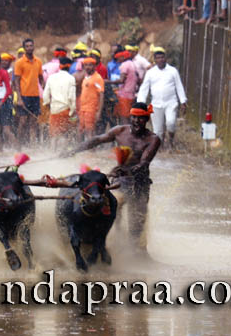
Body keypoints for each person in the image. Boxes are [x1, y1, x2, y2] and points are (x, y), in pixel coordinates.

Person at [68, 102, 162, 250]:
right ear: (130, 117)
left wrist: (128, 171)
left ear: (147, 119)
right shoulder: (120, 131)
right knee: (111, 207)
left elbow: (144, 163)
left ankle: (136, 253)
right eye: (134, 117)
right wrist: (74, 150)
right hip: (120, 182)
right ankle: (110, 242)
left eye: (141, 118)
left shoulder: (153, 139)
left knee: (136, 223)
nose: (137, 121)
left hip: (140, 184)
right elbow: (97, 140)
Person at [135, 47, 186, 148]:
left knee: (170, 123)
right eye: (158, 58)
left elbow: (179, 86)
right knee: (157, 130)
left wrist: (183, 101)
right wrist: (140, 103)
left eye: (162, 57)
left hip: (171, 103)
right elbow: (144, 89)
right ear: (155, 60)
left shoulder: (172, 71)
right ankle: (160, 146)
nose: (160, 60)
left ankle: (171, 141)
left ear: (165, 58)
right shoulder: (150, 73)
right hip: (156, 104)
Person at [12, 37, 43, 142]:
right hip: (24, 95)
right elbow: (16, 81)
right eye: (27, 46)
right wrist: (19, 99)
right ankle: (19, 144)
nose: (29, 48)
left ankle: (32, 145)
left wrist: (43, 91)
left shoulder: (38, 61)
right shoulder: (19, 62)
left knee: (34, 122)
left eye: (31, 46)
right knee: (23, 121)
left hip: (35, 95)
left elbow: (41, 78)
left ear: (34, 47)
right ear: (24, 48)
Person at [42, 56, 76, 140]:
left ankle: (53, 152)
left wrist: (47, 105)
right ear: (69, 66)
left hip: (54, 110)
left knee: (54, 135)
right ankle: (62, 152)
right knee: (64, 135)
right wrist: (72, 110)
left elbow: (45, 95)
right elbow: (72, 97)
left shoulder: (51, 77)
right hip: (66, 110)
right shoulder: (71, 78)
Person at [78, 56, 105, 137]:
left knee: (89, 131)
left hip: (91, 109)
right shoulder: (85, 78)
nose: (87, 67)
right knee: (81, 130)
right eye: (86, 65)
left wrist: (99, 112)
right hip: (82, 108)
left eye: (90, 65)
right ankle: (82, 149)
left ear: (94, 66)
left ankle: (90, 150)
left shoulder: (98, 78)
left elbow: (101, 95)